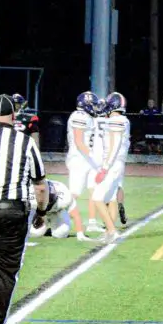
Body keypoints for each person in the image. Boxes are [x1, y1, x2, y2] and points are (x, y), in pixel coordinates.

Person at [0, 94, 49, 324]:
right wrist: (41, 213)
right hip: (11, 212)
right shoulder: (25, 142)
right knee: (5, 274)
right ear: (13, 116)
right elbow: (40, 185)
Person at [90, 92, 131, 244]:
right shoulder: (121, 120)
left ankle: (112, 231)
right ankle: (109, 231)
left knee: (97, 198)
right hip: (117, 164)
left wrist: (105, 167)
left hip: (112, 164)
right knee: (111, 198)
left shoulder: (117, 120)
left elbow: (115, 145)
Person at [66, 92, 103, 235]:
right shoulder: (79, 116)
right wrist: (94, 157)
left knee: (94, 189)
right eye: (93, 105)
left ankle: (92, 222)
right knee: (74, 193)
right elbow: (79, 141)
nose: (95, 108)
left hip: (87, 159)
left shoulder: (88, 117)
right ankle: (50, 216)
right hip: (79, 158)